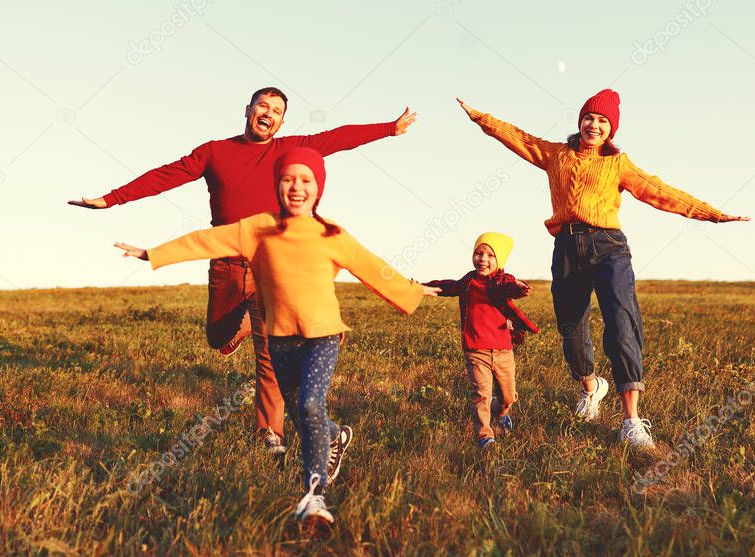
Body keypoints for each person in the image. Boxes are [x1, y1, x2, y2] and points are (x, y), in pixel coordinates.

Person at [70, 87, 417, 455]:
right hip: (226, 263)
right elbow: (166, 176)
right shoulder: (215, 152)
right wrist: (111, 198)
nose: (268, 113)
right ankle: (242, 326)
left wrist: (388, 129)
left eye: (277, 110)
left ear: (282, 121)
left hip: (272, 264)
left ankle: (270, 434)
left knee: (269, 353)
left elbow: (336, 138)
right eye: (262, 106)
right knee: (218, 338)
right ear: (248, 110)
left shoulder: (289, 149)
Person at [113, 147, 439, 526]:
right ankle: (334, 438)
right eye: (288, 179)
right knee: (304, 413)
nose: (296, 187)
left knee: (311, 407)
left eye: (306, 180)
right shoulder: (257, 228)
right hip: (279, 339)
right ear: (277, 185)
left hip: (323, 337)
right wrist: (152, 254)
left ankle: (314, 497)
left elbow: (372, 266)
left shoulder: (332, 233)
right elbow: (206, 240)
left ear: (318, 189)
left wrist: (413, 290)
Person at [457, 89, 749, 449]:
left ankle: (631, 420)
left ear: (611, 130)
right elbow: (518, 138)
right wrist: (479, 117)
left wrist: (713, 214)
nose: (594, 125)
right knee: (571, 330)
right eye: (589, 118)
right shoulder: (556, 155)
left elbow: (660, 191)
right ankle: (591, 386)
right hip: (566, 248)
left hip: (609, 248)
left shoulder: (617, 164)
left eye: (603, 121)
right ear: (579, 121)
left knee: (622, 323)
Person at [424, 232, 538, 450]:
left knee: (508, 397)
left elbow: (510, 285)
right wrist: (424, 287)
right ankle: (485, 436)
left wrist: (518, 287)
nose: (483, 259)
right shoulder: (469, 281)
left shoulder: (501, 281)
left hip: (503, 350)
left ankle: (501, 412)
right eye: (478, 253)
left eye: (490, 255)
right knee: (481, 395)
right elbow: (448, 286)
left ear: (499, 260)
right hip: (476, 350)